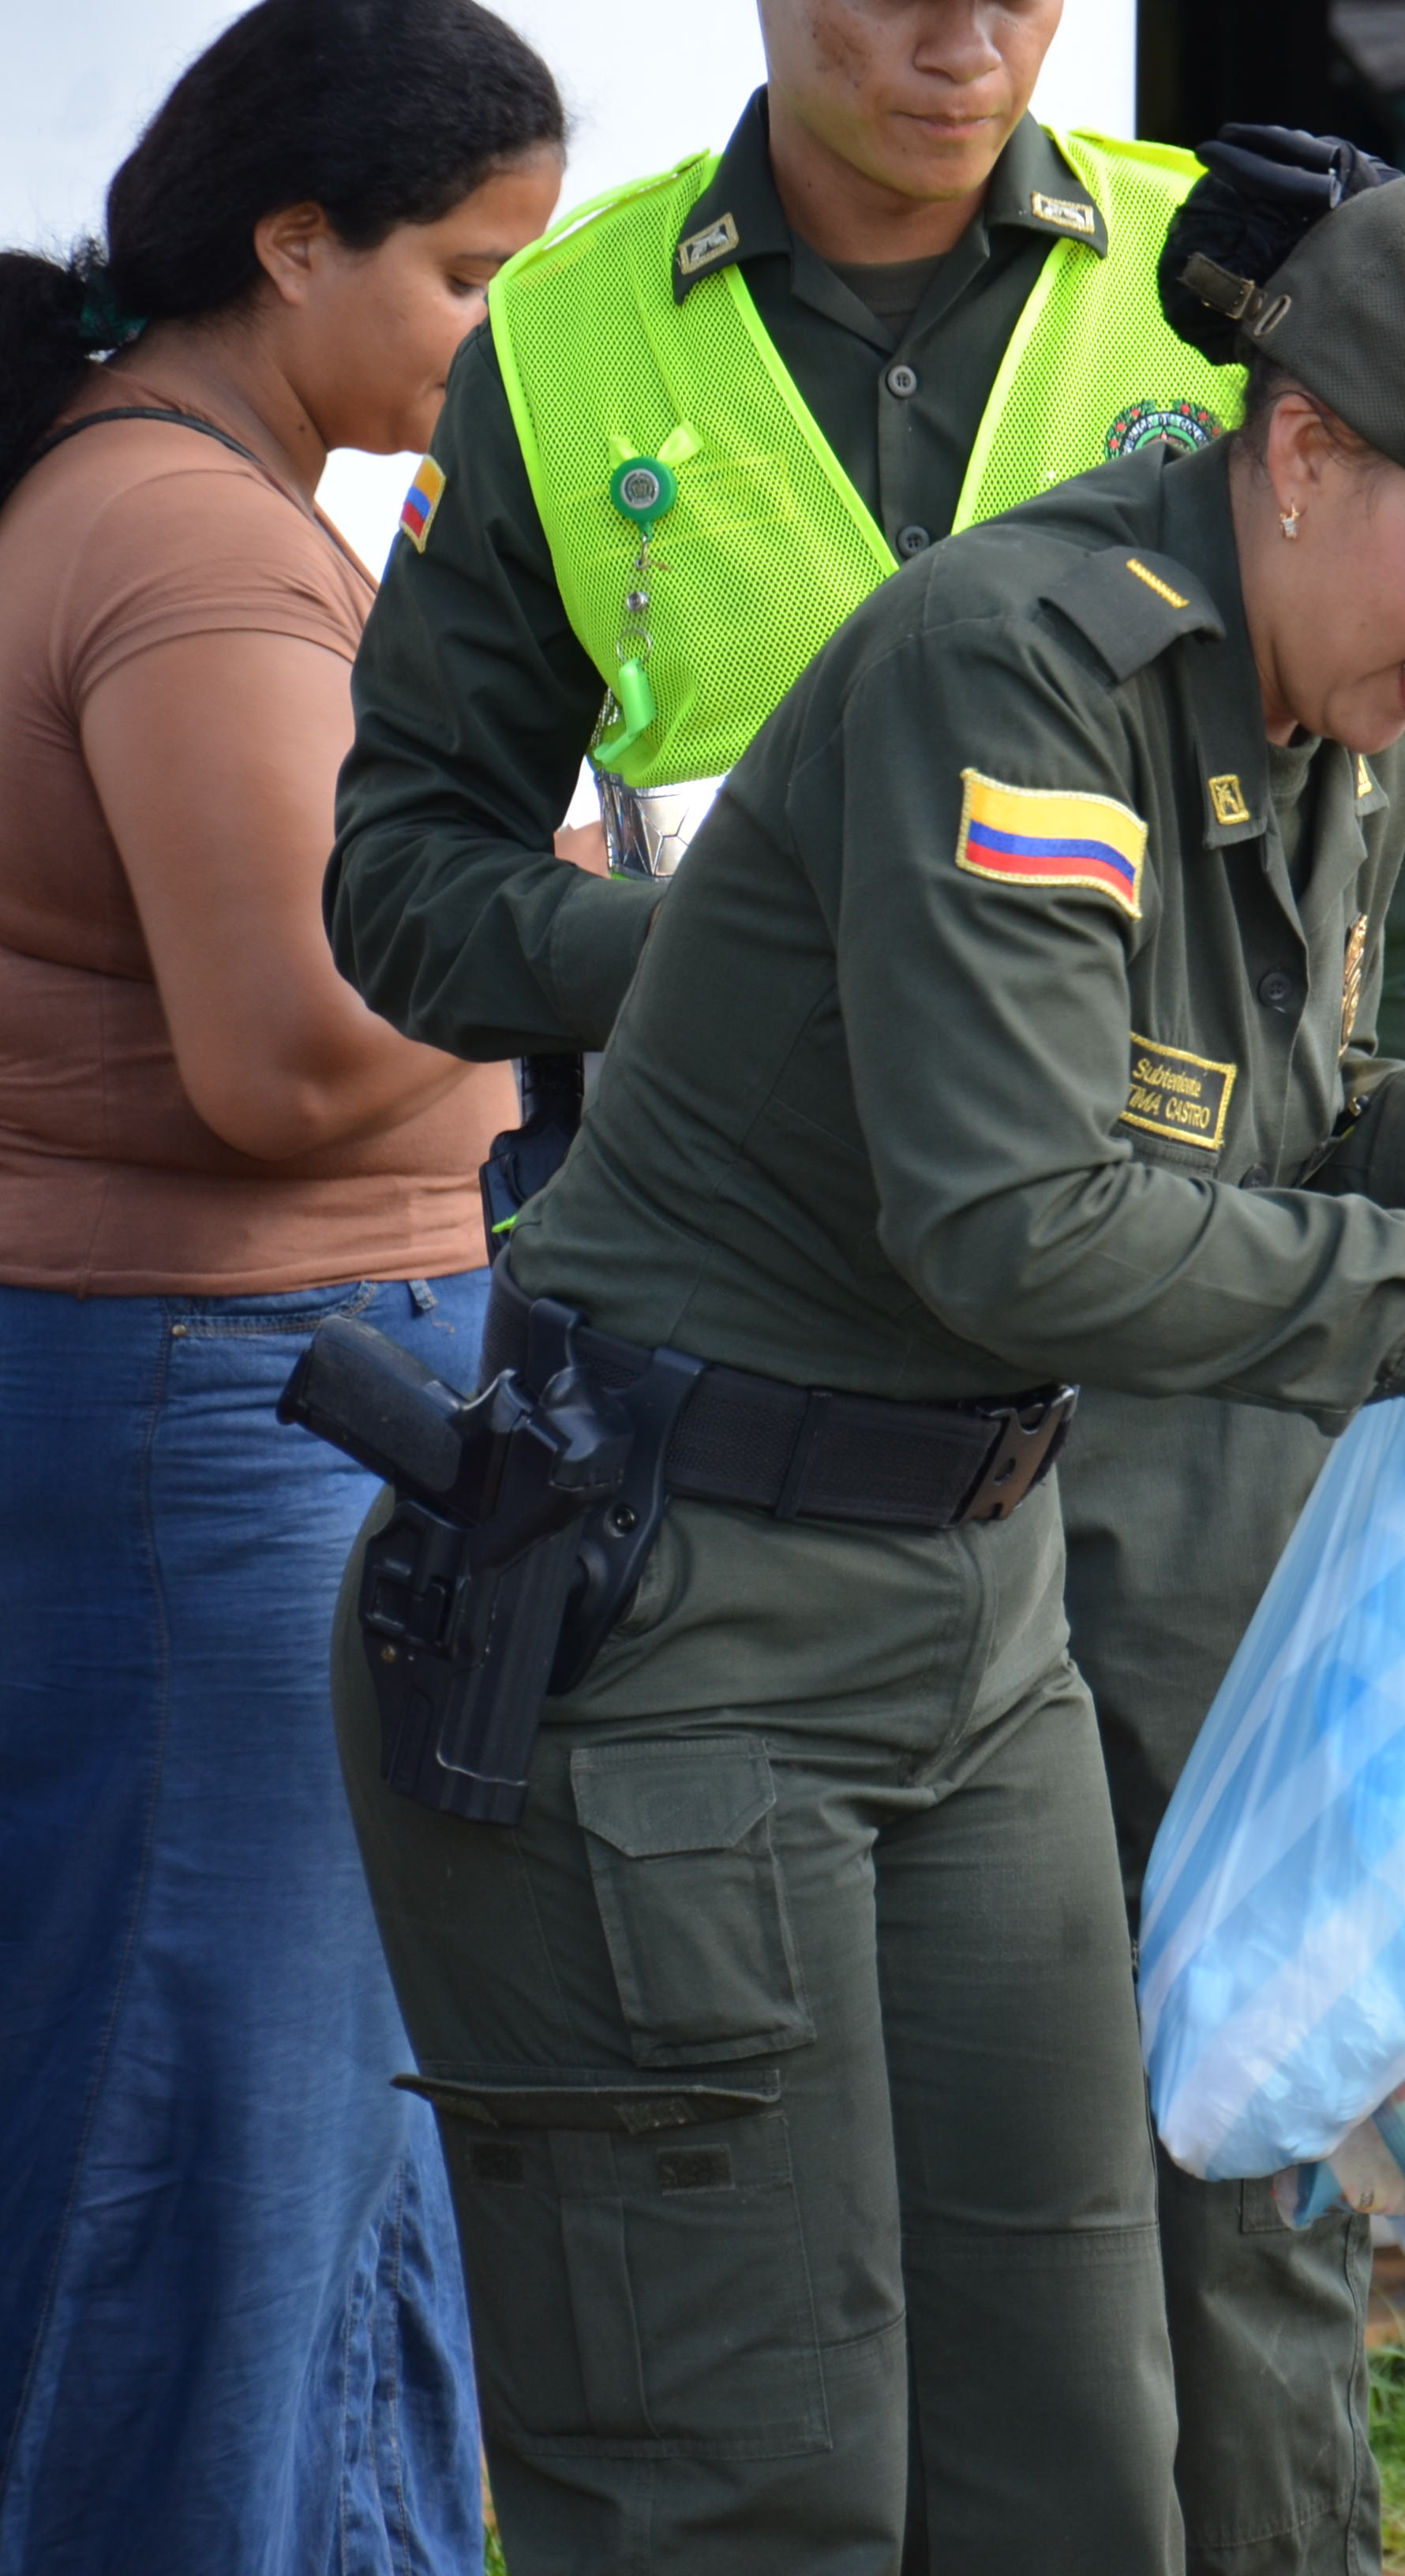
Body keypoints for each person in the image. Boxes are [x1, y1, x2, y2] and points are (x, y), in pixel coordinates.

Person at [326, 157, 1405, 2573]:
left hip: (971, 1629)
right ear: (1301, 450)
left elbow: (1187, 1091)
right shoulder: (1023, 664)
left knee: (1070, 2443)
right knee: (745, 2475)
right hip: (686, 1635)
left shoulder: (1327, 704)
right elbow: (1012, 1219)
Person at [0, 5, 562, 2567]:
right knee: (216, 2148)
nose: (504, 339)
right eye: (472, 275)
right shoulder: (196, 537)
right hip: (225, 1406)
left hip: (238, 1403)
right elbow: (279, 1051)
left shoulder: (220, 506)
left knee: (312, 2133)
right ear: (291, 241)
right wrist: (623, 959)